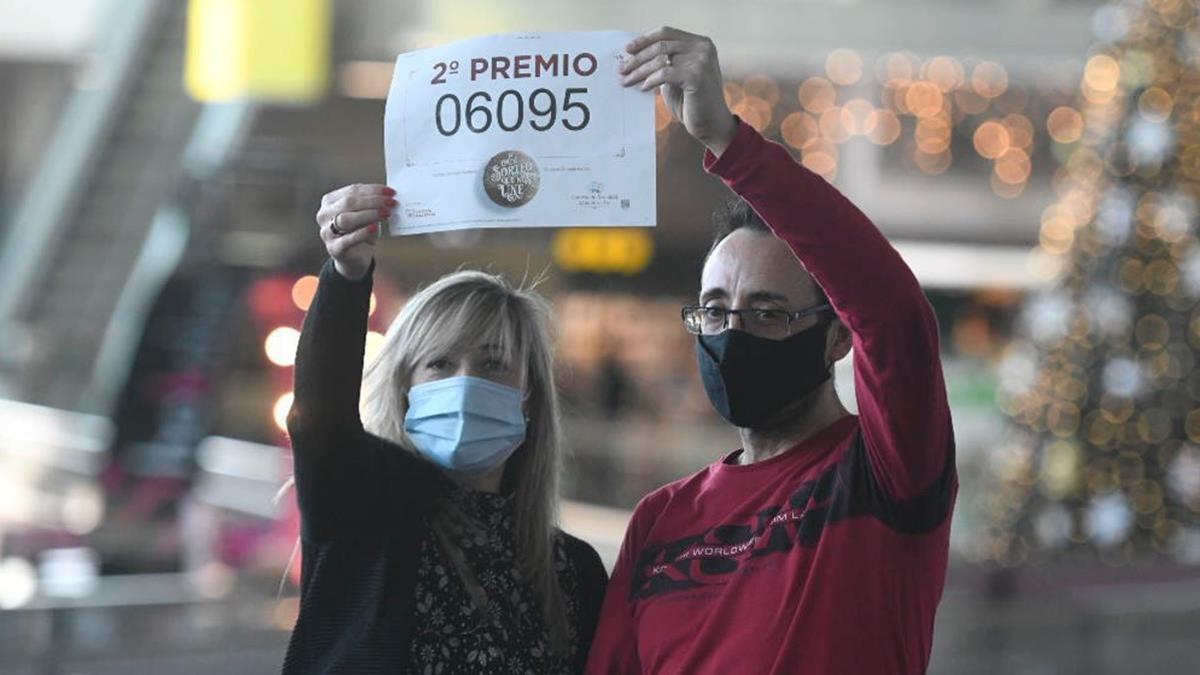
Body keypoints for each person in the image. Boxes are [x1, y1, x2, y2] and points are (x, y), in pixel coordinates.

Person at [586, 27, 957, 674]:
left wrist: (729, 144)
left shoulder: (881, 473)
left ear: (837, 332)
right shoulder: (661, 518)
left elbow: (894, 312)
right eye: (716, 310)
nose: (733, 333)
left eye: (767, 312)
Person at [281, 184, 608, 674]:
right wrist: (347, 275)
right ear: (404, 387)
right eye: (439, 363)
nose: (466, 383)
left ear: (530, 397)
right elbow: (320, 420)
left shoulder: (574, 572)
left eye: (493, 364)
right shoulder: (361, 511)